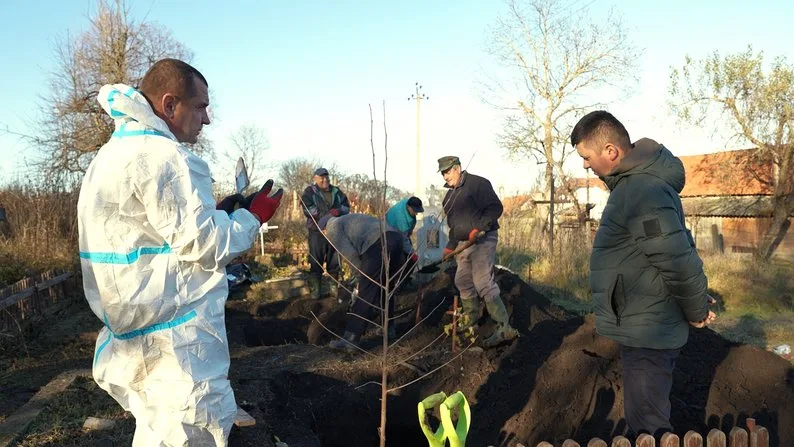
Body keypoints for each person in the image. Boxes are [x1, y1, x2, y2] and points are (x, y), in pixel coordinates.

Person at [77, 58, 283, 447]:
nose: (207, 118)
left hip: (136, 330)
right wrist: (252, 218)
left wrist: (217, 212)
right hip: (176, 341)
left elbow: (155, 232)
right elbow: (205, 245)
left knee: (157, 432)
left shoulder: (112, 154)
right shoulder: (166, 157)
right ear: (170, 105)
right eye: (201, 106)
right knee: (189, 433)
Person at [570, 110, 716, 437]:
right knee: (645, 415)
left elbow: (676, 259)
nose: (585, 166)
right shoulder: (636, 187)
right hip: (644, 320)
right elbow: (665, 251)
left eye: (586, 157)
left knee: (649, 425)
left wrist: (696, 310)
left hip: (650, 328)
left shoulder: (641, 192)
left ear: (610, 151)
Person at [438, 156, 518, 348]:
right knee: (462, 281)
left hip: (484, 238)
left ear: (458, 168)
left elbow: (495, 208)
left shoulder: (478, 184)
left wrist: (480, 227)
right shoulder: (448, 198)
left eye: (448, 171)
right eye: (443, 173)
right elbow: (454, 227)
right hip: (463, 243)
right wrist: (450, 245)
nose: (445, 176)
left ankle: (504, 327)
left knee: (482, 280)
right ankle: (470, 321)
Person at [321, 212, 415, 351]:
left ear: (323, 229)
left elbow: (350, 255)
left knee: (366, 292)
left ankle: (351, 339)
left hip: (378, 244)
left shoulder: (332, 228)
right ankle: (388, 329)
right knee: (385, 288)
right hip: (395, 240)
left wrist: (361, 276)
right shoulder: (348, 219)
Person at [301, 167, 350, 299]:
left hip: (334, 230)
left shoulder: (337, 192)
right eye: (321, 177)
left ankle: (333, 291)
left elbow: (346, 207)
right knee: (315, 260)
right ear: (315, 179)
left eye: (326, 177)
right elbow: (309, 209)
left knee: (334, 261)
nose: (325, 180)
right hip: (316, 231)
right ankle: (316, 292)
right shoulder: (309, 192)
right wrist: (327, 217)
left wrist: (337, 212)